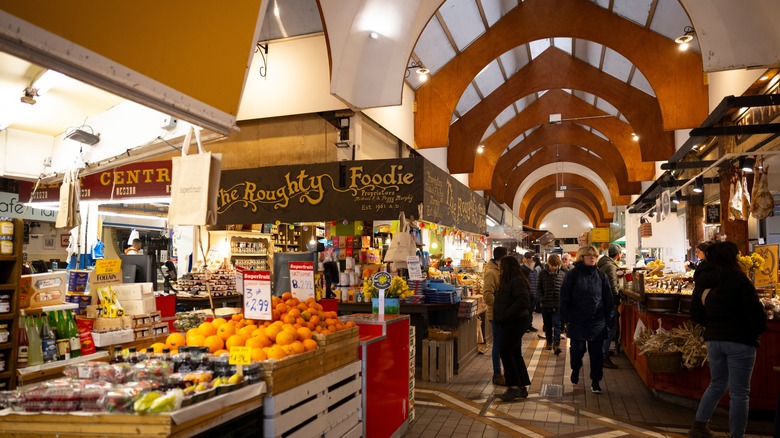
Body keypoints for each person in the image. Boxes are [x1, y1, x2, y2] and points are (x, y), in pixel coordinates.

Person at [687, 241, 767, 438]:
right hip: (740, 340)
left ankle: (699, 426)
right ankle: (736, 435)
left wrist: (713, 324)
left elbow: (696, 313)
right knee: (739, 394)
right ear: (732, 258)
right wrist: (756, 331)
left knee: (717, 383)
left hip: (714, 340)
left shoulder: (704, 281)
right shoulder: (740, 280)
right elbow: (755, 314)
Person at [559, 245, 614, 394]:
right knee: (577, 350)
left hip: (597, 321)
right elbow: (564, 298)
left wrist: (610, 320)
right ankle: (575, 369)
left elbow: (608, 299)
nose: (592, 258)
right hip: (577, 321)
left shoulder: (602, 276)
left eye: (595, 256)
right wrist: (565, 319)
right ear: (582, 257)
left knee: (596, 354)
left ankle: (596, 381)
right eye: (589, 255)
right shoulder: (572, 275)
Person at [493, 255, 532, 401]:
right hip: (513, 320)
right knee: (515, 353)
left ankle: (514, 387)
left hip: (516, 321)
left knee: (506, 351)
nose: (500, 269)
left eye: (502, 266)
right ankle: (521, 387)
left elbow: (524, 300)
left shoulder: (516, 280)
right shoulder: (510, 280)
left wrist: (506, 314)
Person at [483, 246, 508, 386]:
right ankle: (497, 373)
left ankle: (502, 371)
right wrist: (501, 306)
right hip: (496, 314)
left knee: (502, 344)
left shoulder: (501, 271)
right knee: (497, 345)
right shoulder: (491, 272)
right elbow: (487, 296)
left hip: (502, 314)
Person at [597, 244, 622, 369]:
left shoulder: (603, 264)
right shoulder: (611, 266)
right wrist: (616, 298)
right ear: (619, 254)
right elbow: (612, 284)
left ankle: (603, 351)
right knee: (610, 327)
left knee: (606, 327)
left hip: (602, 300)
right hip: (608, 301)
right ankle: (603, 355)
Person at [538, 254, 565, 355]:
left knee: (557, 325)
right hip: (546, 304)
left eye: (556, 265)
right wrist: (541, 299)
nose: (554, 267)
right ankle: (549, 342)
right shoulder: (542, 274)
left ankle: (556, 344)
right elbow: (539, 288)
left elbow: (564, 289)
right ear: (548, 263)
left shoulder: (562, 274)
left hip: (558, 305)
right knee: (548, 324)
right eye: (552, 265)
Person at [520, 251, 539, 332]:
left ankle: (529, 325)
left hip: (534, 294)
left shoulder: (534, 270)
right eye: (527, 258)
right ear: (524, 259)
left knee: (530, 312)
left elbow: (536, 281)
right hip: (526, 295)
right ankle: (525, 327)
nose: (529, 260)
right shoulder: (522, 269)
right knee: (525, 312)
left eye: (530, 258)